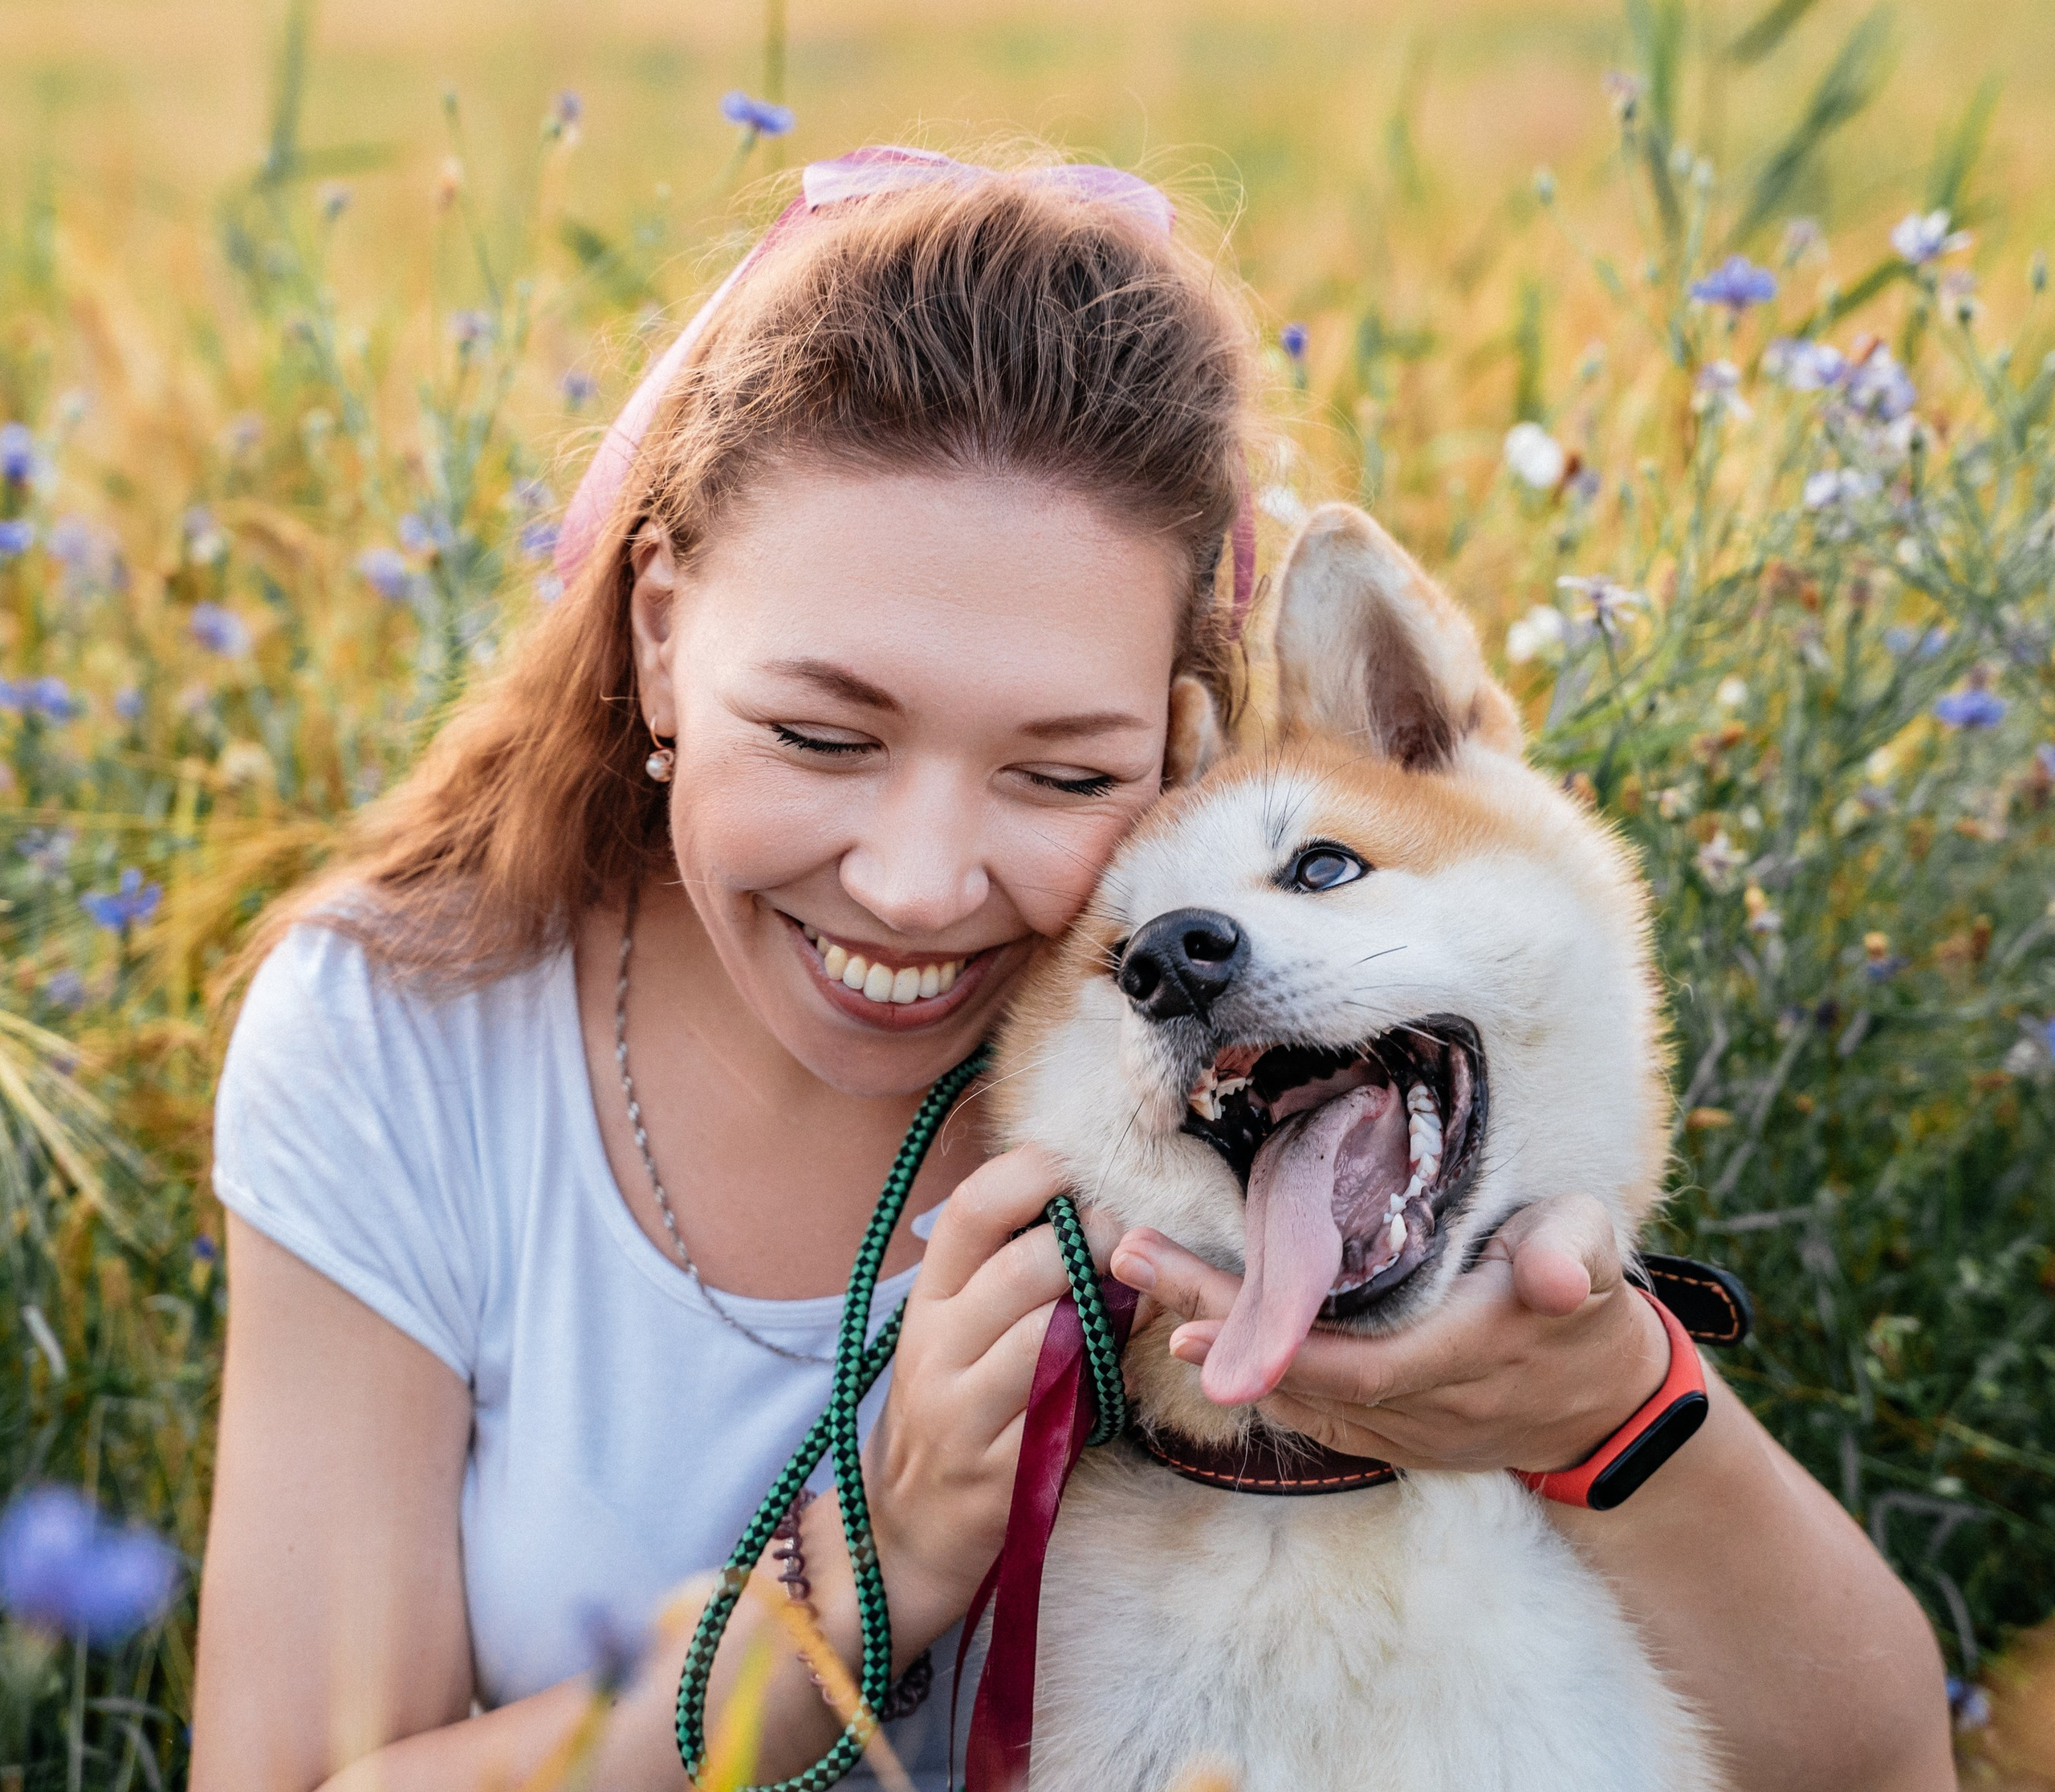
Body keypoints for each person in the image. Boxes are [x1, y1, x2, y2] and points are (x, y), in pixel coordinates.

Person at [191, 151, 1951, 1792]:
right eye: (821, 733)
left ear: (1174, 743)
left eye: (1057, 772)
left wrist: (1610, 1410)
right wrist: (857, 1586)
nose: (915, 882)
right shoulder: (406, 1042)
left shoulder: (1257, 1081)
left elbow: (1877, 1757)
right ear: (660, 628)